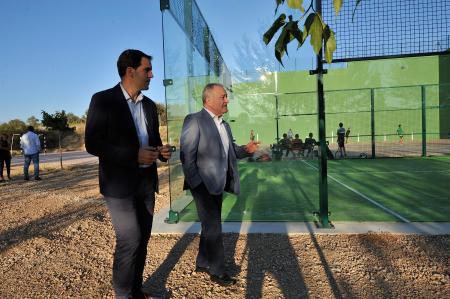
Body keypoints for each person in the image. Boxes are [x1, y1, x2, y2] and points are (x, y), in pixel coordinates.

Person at [85, 49, 172, 299]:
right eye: (147, 70)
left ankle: (135, 290)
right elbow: (93, 143)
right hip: (118, 185)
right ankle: (122, 295)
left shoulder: (149, 106)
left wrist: (161, 151)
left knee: (142, 239)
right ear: (130, 71)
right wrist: (132, 155)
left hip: (146, 183)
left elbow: (153, 140)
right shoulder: (103, 100)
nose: (152, 75)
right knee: (130, 239)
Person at [180, 83, 259, 286]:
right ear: (209, 99)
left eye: (226, 97)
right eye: (223, 97)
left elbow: (230, 150)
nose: (227, 100)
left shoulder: (224, 124)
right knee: (214, 227)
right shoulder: (194, 120)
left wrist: (245, 150)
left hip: (219, 184)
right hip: (202, 186)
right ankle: (218, 271)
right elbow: (186, 157)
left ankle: (203, 262)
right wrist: (197, 185)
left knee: (210, 225)